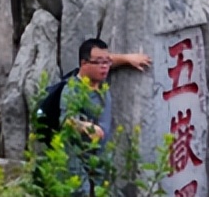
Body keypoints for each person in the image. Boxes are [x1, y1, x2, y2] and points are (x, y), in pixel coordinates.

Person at [58, 39, 151, 194]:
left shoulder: (100, 80)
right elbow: (65, 120)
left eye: (107, 62)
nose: (105, 67)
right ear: (84, 63)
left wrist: (128, 59)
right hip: (79, 164)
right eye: (100, 63)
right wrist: (84, 126)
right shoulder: (72, 90)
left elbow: (106, 59)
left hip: (100, 163)